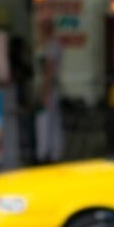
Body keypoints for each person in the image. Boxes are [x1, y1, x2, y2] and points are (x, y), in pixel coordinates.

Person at [36, 18, 64, 163]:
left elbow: (49, 70)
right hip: (51, 87)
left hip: (50, 88)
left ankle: (47, 153)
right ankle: (52, 151)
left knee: (46, 121)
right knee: (51, 120)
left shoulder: (52, 45)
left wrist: (45, 91)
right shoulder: (48, 45)